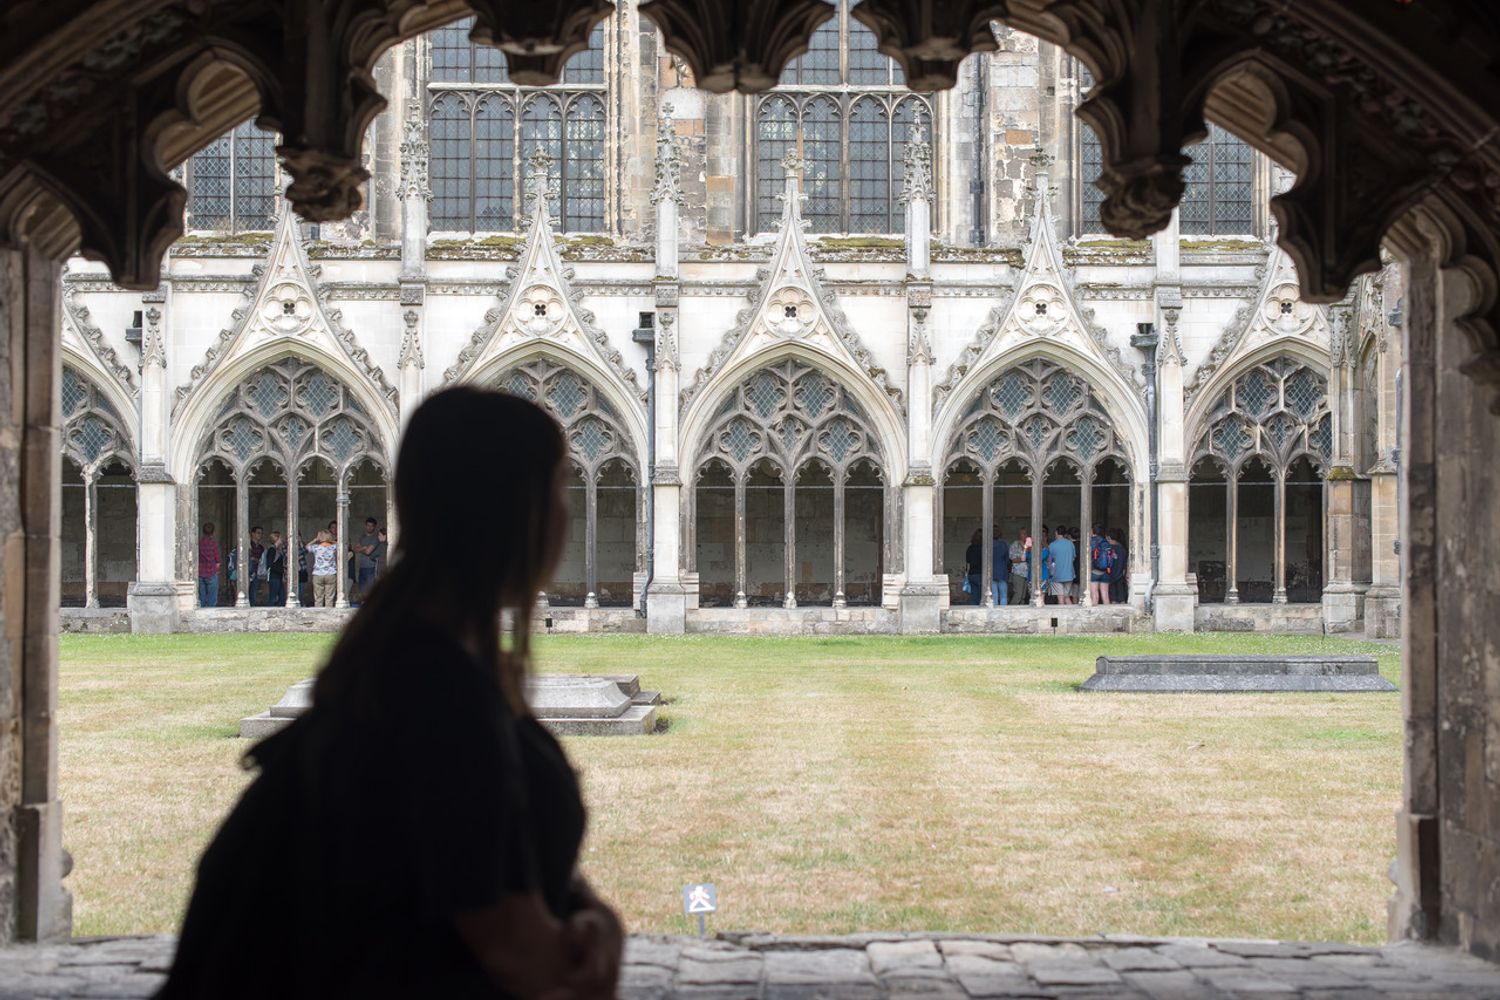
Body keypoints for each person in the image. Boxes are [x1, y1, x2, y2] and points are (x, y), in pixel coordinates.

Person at [158, 387, 622, 1000]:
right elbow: (528, 957)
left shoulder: (408, 657)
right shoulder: (437, 693)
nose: (568, 513)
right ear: (516, 512)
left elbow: (499, 851)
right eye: (559, 487)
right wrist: (605, 932)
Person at [307, 531, 338, 608]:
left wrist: (315, 540)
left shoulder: (316, 547)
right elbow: (341, 544)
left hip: (318, 574)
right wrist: (331, 540)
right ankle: (328, 613)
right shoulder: (333, 547)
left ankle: (318, 612)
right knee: (329, 597)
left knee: (318, 597)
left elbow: (307, 546)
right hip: (330, 574)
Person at [353, 517, 379, 607]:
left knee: (370, 590)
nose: (369, 528)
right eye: (368, 525)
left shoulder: (375, 538)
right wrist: (364, 547)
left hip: (371, 567)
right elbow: (355, 549)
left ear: (375, 527)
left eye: (372, 526)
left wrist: (363, 549)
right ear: (365, 526)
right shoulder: (362, 537)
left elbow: (368, 552)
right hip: (362, 566)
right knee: (362, 589)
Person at [1048, 525, 1077, 605]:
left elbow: (1049, 561)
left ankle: (1062, 617)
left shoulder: (1052, 545)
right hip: (1069, 574)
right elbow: (1073, 558)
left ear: (1056, 533)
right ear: (1065, 534)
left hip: (1057, 575)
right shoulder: (1070, 544)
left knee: (1060, 600)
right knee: (1067, 597)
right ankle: (1072, 616)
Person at [197, 523, 221, 608]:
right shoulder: (214, 545)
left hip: (200, 572)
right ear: (213, 532)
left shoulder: (198, 544)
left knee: (201, 598)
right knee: (212, 599)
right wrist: (217, 570)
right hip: (211, 573)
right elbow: (218, 561)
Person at [1089, 523, 1112, 606]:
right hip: (1106, 570)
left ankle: (1093, 617)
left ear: (1093, 530)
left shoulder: (1091, 541)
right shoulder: (1106, 541)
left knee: (1095, 596)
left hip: (1094, 570)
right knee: (1106, 596)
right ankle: (1109, 616)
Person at [1108, 528, 1129, 604]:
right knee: (1121, 591)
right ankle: (1122, 602)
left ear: (1110, 538)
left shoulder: (1109, 548)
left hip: (1111, 573)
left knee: (1112, 592)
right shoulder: (1122, 549)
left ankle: (1113, 603)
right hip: (1121, 573)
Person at [267, 531, 287, 607]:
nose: (281, 539)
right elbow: (270, 564)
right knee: (273, 597)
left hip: (278, 576)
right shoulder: (272, 550)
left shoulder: (278, 550)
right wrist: (281, 570)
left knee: (282, 597)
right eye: (280, 538)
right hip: (273, 576)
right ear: (276, 539)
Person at [1009, 530, 1030, 605]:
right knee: (1018, 594)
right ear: (1019, 535)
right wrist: (1023, 559)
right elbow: (1013, 559)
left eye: (1026, 533)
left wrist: (1026, 546)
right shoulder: (1015, 544)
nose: (1025, 535)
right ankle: (1011, 611)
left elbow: (1031, 555)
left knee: (1023, 596)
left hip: (1027, 573)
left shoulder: (1028, 545)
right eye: (1023, 533)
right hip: (1018, 572)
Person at [247, 526, 266, 607]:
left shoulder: (261, 548)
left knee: (254, 594)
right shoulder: (247, 545)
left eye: (261, 533)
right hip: (247, 572)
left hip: (257, 572)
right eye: (258, 533)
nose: (260, 535)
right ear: (253, 534)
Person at [963, 529, 983, 605]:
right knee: (982, 595)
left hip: (972, 573)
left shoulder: (970, 548)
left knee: (974, 595)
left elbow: (967, 561)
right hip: (980, 573)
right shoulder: (983, 549)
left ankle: (973, 607)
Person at [991, 528, 1009, 607]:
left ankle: (995, 615)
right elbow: (1007, 560)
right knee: (1003, 595)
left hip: (991, 572)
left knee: (994, 595)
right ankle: (1003, 612)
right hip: (1002, 572)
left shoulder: (988, 545)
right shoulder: (1003, 545)